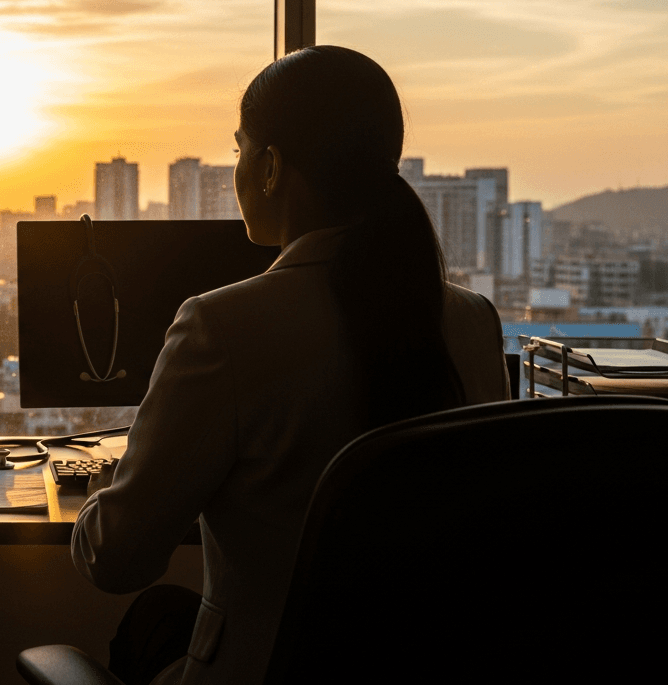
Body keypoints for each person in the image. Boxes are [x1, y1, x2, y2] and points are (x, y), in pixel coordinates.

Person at [70, 45, 510, 685]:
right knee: (166, 616)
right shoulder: (472, 321)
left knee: (152, 620)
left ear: (271, 166)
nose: (237, 171)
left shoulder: (219, 327)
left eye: (240, 150)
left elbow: (117, 562)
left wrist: (105, 490)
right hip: (422, 667)